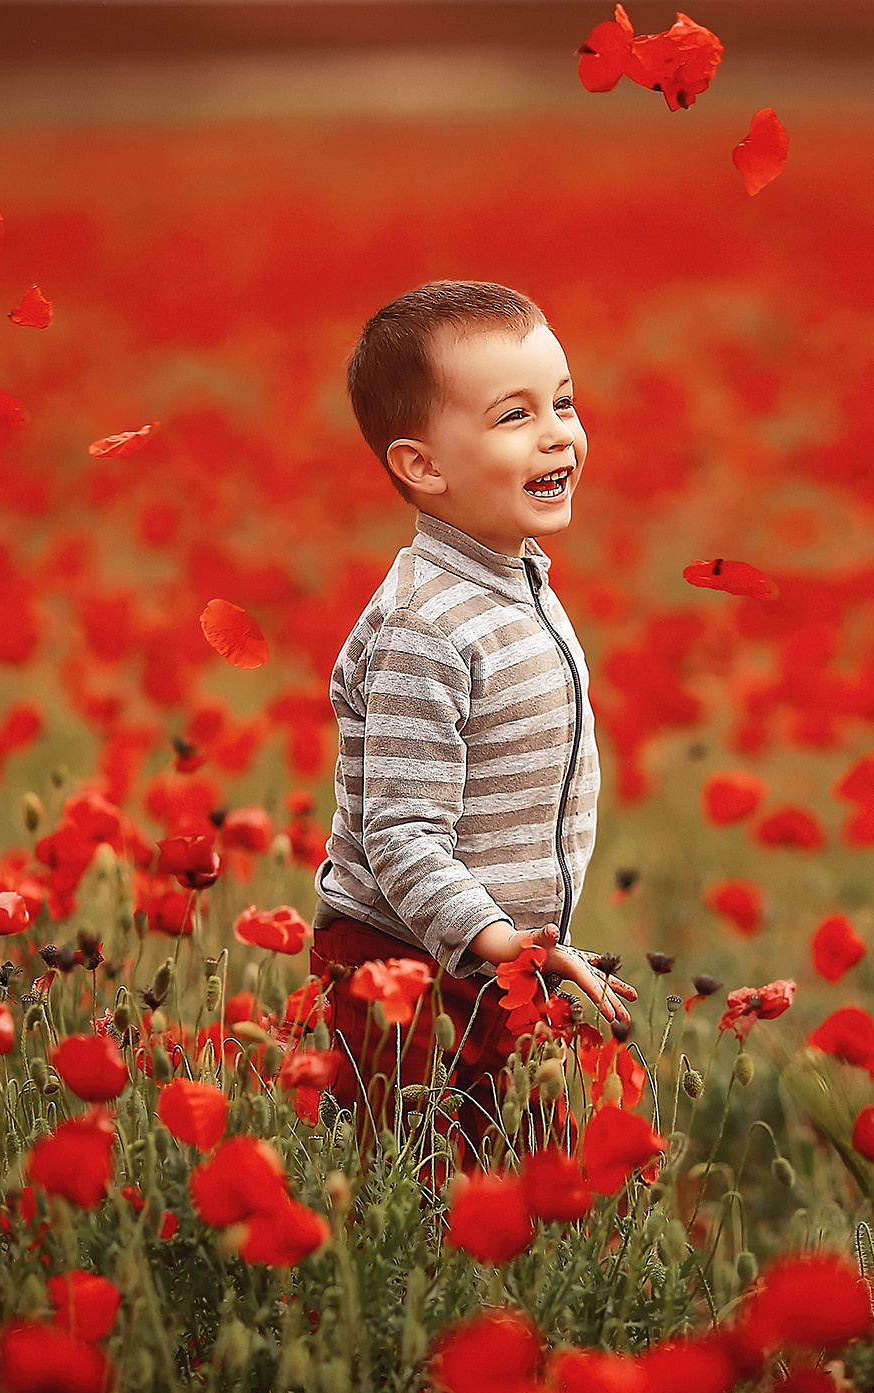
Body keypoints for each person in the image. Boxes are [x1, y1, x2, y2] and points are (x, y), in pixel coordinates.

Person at [310, 280, 635, 1162]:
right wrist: (503, 945)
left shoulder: (513, 578)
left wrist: (515, 952)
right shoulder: (426, 625)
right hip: (402, 965)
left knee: (525, 1179)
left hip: (493, 955)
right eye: (513, 415)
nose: (558, 431)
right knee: (416, 1195)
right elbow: (402, 833)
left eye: (562, 401)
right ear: (422, 466)